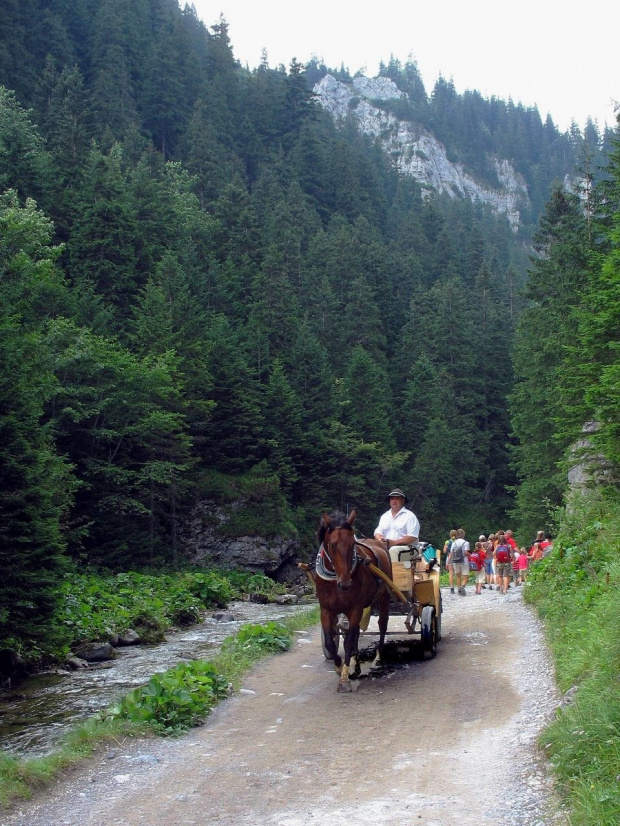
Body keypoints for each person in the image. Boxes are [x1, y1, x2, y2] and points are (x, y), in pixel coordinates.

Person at [374, 488, 420, 562]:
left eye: (397, 498)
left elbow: (412, 537)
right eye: (392, 498)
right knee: (372, 550)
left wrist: (393, 543)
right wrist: (379, 539)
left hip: (409, 548)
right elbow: (378, 532)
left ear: (403, 501)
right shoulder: (385, 516)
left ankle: (392, 573)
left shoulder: (410, 516)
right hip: (387, 546)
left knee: (393, 550)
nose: (394, 501)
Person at [447, 528, 470, 595]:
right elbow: (466, 553)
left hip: (455, 561)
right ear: (463, 535)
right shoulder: (466, 543)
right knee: (465, 575)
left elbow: (451, 553)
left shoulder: (454, 543)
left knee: (458, 576)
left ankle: (459, 589)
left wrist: (448, 562)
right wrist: (470, 555)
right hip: (464, 561)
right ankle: (463, 586)